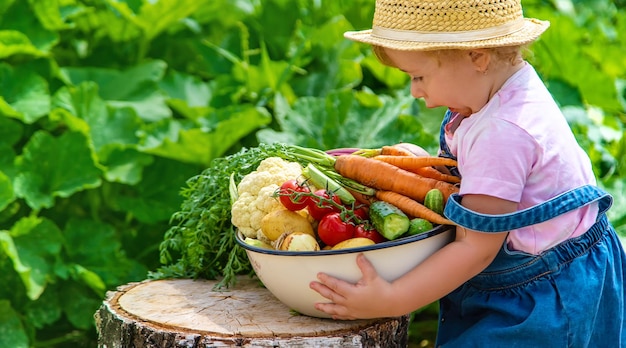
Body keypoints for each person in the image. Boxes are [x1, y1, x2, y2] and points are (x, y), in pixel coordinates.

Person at [309, 0, 626, 346]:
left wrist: (392, 298)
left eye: (419, 76)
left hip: (540, 301)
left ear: (477, 56)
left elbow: (475, 250)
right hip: (555, 268)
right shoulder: (499, 89)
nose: (415, 91)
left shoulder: (502, 132)